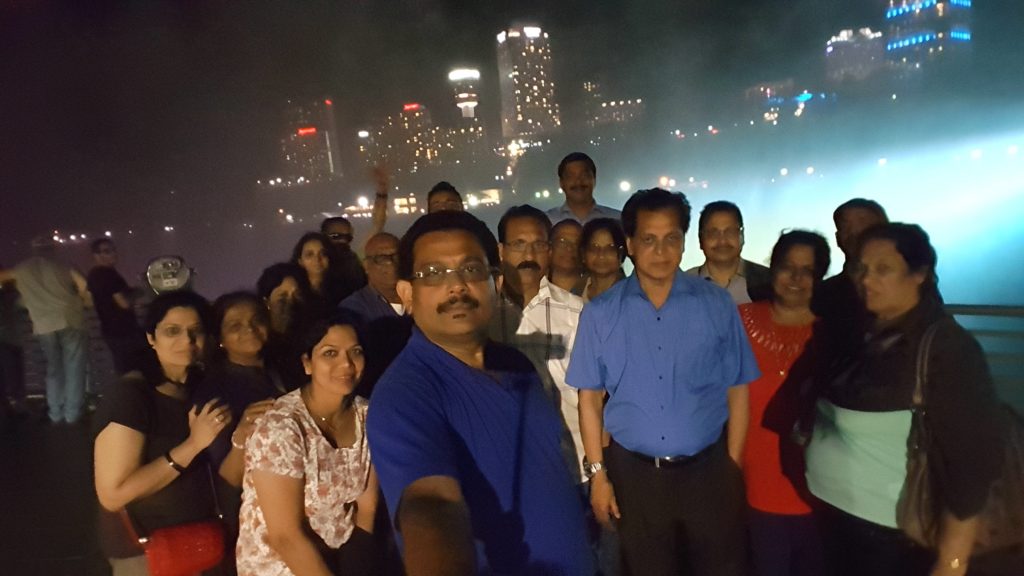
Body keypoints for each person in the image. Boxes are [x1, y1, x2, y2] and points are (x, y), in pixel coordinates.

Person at [367, 211, 593, 575]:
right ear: (407, 293)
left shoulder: (516, 366)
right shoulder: (404, 395)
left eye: (471, 269)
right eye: (433, 273)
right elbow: (431, 507)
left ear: (496, 283)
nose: (456, 286)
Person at [568, 188, 759, 576]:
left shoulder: (716, 304)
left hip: (708, 470)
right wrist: (599, 476)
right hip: (635, 476)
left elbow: (738, 387)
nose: (661, 250)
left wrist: (733, 465)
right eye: (649, 239)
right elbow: (589, 398)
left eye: (671, 238)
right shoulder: (601, 314)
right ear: (630, 244)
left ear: (684, 242)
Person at [804, 223, 1005, 576]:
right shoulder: (864, 330)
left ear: (919, 274)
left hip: (894, 536)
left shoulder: (945, 349)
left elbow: (971, 463)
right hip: (840, 519)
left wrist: (952, 561)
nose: (866, 279)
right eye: (861, 268)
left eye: (883, 269)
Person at [93, 290, 231, 575]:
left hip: (201, 538)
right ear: (151, 338)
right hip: (148, 550)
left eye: (196, 331)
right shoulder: (132, 395)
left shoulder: (197, 387)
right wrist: (193, 445)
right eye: (172, 331)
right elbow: (113, 494)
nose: (187, 340)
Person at [236, 313, 378, 576]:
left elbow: (367, 510)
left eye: (355, 352)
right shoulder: (281, 426)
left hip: (340, 557)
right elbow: (285, 537)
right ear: (307, 363)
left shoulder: (368, 416)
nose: (346, 364)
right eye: (330, 353)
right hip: (279, 565)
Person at [738, 230, 831, 576]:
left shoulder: (831, 334)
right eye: (787, 267)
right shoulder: (739, 321)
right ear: (772, 268)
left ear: (819, 278)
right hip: (751, 482)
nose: (795, 278)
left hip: (817, 487)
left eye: (807, 271)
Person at [192, 292, 284, 552]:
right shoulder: (214, 392)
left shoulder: (285, 370)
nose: (250, 329)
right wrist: (241, 436)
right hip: (255, 517)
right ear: (220, 338)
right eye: (235, 326)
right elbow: (224, 478)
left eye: (257, 320)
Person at [0, 237, 90, 424]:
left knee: (54, 369)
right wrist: (83, 301)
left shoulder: (21, 269)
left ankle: (55, 412)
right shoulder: (65, 265)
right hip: (70, 319)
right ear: (54, 248)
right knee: (74, 367)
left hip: (42, 324)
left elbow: (3, 277)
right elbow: (85, 288)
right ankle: (72, 414)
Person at [338, 232, 412, 398]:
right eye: (381, 258)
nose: (391, 263)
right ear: (366, 266)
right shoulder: (353, 309)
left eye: (396, 256)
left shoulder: (423, 301)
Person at [812, 198, 889, 321]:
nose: (854, 232)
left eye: (863, 222)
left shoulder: (911, 285)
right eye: (845, 226)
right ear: (838, 238)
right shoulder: (822, 295)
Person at [686, 200, 771, 304]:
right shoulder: (683, 284)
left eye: (730, 232)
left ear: (742, 236)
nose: (722, 241)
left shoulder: (768, 281)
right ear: (700, 239)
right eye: (713, 233)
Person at [86, 238, 149, 375]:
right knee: (136, 367)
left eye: (113, 250)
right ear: (96, 255)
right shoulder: (108, 274)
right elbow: (124, 303)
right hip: (124, 330)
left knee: (124, 368)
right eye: (107, 251)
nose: (113, 254)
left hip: (110, 329)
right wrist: (139, 291)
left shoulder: (93, 275)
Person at [257, 262, 313, 392]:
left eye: (297, 295)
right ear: (266, 301)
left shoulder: (310, 337)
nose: (291, 301)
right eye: (282, 296)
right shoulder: (259, 341)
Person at [547, 152, 621, 225]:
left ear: (594, 180)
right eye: (571, 177)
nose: (578, 182)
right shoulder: (548, 221)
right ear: (561, 183)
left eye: (584, 175)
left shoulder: (617, 220)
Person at [292, 232, 347, 311]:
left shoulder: (343, 290)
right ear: (300, 261)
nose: (317, 259)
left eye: (323, 253)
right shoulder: (293, 292)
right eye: (310, 254)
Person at [576, 217, 627, 302]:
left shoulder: (631, 295)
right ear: (583, 253)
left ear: (621, 253)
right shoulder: (576, 291)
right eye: (594, 248)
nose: (601, 255)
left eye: (610, 249)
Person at [0, 273, 27, 419]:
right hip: (12, 341)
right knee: (15, 376)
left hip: (7, 340)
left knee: (6, 377)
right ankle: (17, 407)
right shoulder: (13, 296)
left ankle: (6, 406)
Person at [548, 219, 584, 292]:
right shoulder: (534, 288)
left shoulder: (595, 291)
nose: (569, 248)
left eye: (577, 243)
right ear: (549, 246)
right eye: (562, 241)